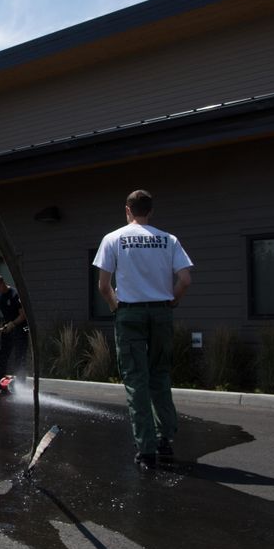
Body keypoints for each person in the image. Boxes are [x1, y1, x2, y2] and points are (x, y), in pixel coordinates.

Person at [93, 190, 193, 469]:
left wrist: (116, 308)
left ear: (128, 210)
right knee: (159, 374)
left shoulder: (113, 239)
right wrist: (171, 301)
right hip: (161, 313)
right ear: (151, 211)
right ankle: (165, 439)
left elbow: (103, 286)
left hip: (130, 313)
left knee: (136, 380)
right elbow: (185, 279)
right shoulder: (168, 239)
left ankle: (146, 450)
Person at [0, 274, 27, 390]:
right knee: (2, 354)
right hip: (7, 327)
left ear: (3, 283)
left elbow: (23, 315)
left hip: (21, 327)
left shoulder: (15, 294)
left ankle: (20, 385)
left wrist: (13, 324)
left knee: (19, 356)